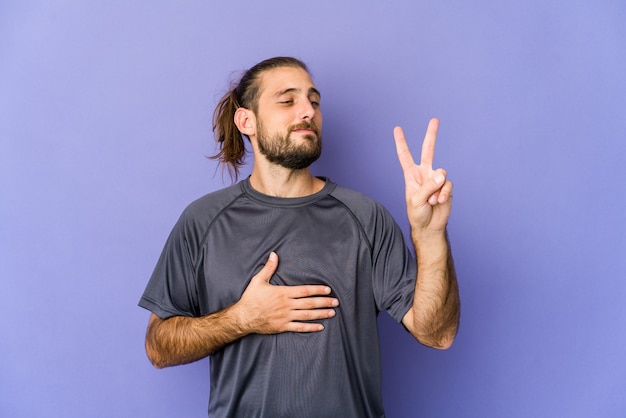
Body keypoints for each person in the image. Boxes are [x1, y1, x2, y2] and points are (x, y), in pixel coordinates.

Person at [139, 56, 460, 417]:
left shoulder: (366, 217)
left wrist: (430, 233)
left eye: (314, 101)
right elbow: (158, 346)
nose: (308, 111)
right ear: (247, 121)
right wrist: (243, 318)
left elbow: (437, 334)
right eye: (288, 100)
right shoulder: (203, 221)